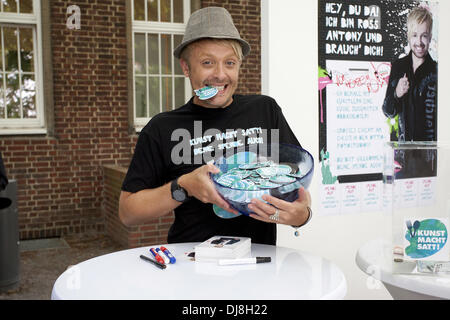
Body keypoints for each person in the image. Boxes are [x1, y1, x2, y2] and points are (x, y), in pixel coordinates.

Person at [119, 7, 312, 245]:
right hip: (192, 264)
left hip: (260, 264)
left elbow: (296, 178)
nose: (220, 75)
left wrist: (302, 215)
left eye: (230, 63)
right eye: (208, 63)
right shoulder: (162, 128)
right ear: (186, 68)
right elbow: (128, 212)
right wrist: (184, 186)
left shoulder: (265, 110)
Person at [382, 7, 437, 179]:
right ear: (408, 36)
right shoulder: (399, 67)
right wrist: (397, 93)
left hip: (428, 158)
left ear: (430, 37)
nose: (419, 42)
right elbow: (387, 110)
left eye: (424, 35)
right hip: (400, 156)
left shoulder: (437, 71)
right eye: (415, 35)